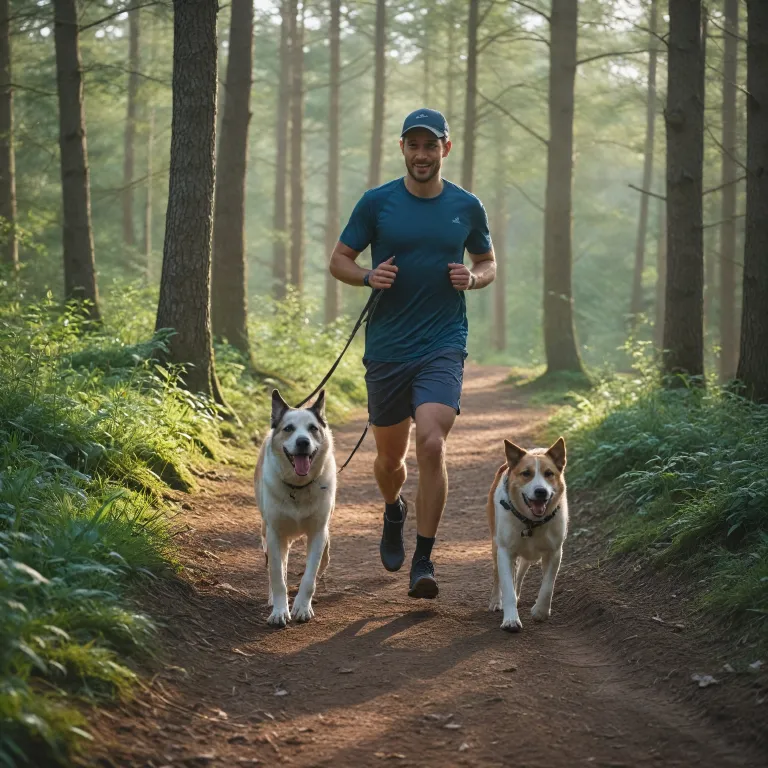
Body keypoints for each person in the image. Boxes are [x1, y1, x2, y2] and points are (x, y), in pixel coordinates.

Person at [328, 108, 496, 599]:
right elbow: (339, 260)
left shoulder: (467, 206)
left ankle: (424, 557)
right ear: (402, 148)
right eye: (414, 145)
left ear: (446, 148)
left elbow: (487, 261)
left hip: (443, 341)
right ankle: (393, 508)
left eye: (431, 145)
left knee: (432, 442)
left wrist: (473, 278)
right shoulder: (376, 202)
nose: (422, 155)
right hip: (387, 345)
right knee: (389, 460)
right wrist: (367, 276)